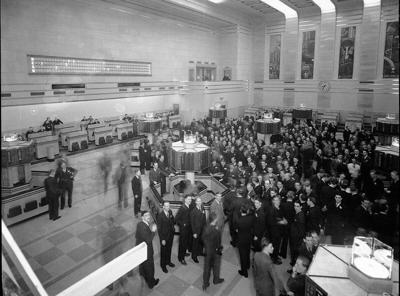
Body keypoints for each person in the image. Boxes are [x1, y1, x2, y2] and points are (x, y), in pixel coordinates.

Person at [135, 211, 159, 289]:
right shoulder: (144, 226)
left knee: (144, 266)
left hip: (141, 250)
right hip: (147, 252)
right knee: (150, 268)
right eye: (146, 215)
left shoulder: (139, 224)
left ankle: (143, 275)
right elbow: (148, 240)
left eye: (149, 215)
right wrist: (153, 231)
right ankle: (151, 283)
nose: (148, 216)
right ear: (142, 217)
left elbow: (137, 236)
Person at [202, 212, 224, 291]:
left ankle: (205, 284)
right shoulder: (217, 230)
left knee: (207, 268)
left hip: (207, 251)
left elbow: (203, 238)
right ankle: (216, 280)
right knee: (216, 266)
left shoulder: (206, 227)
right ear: (214, 220)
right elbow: (218, 242)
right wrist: (219, 248)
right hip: (215, 252)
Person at [235, 205, 254, 278]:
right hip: (249, 238)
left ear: (241, 211)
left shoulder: (238, 220)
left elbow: (236, 230)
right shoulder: (251, 218)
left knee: (242, 255)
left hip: (241, 239)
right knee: (248, 252)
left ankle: (244, 272)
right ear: (247, 211)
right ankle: (248, 265)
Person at [157, 201, 175, 273]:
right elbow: (159, 229)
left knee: (169, 249)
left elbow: (172, 220)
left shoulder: (170, 212)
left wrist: (173, 227)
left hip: (171, 235)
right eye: (166, 206)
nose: (168, 207)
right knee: (163, 252)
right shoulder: (160, 216)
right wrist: (162, 239)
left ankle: (168, 261)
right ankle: (163, 265)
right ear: (163, 207)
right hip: (164, 237)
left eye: (169, 206)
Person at [288, 200, 306, 273]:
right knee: (293, 254)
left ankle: (294, 271)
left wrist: (298, 241)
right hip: (293, 238)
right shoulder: (297, 213)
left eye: (297, 206)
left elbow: (301, 230)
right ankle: (293, 267)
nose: (296, 207)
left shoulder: (301, 216)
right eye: (295, 206)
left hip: (296, 239)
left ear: (301, 207)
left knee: (295, 255)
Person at [175, 195, 192, 265]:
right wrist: (183, 224)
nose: (190, 200)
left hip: (188, 229)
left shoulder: (189, 206)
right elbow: (176, 219)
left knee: (185, 242)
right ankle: (181, 258)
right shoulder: (182, 208)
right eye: (188, 199)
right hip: (183, 230)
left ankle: (184, 253)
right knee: (182, 243)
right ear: (185, 200)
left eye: (190, 199)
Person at [190, 197, 206, 263]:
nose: (199, 202)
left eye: (200, 201)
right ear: (196, 202)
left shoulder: (202, 208)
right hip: (196, 231)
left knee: (201, 242)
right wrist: (194, 233)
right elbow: (192, 223)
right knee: (195, 244)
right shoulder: (193, 211)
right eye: (198, 201)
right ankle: (194, 256)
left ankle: (200, 252)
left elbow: (204, 218)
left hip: (202, 229)